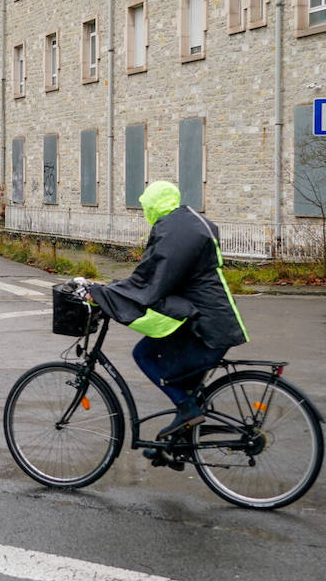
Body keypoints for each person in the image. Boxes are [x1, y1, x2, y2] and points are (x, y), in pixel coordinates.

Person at [87, 180, 248, 439]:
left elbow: (149, 283)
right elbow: (154, 277)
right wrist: (111, 289)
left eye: (145, 207)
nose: (144, 213)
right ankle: (179, 438)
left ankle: (186, 411)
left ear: (153, 204)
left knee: (145, 355)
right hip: (214, 320)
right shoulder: (186, 223)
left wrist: (102, 293)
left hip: (206, 328)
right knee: (182, 383)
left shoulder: (174, 232)